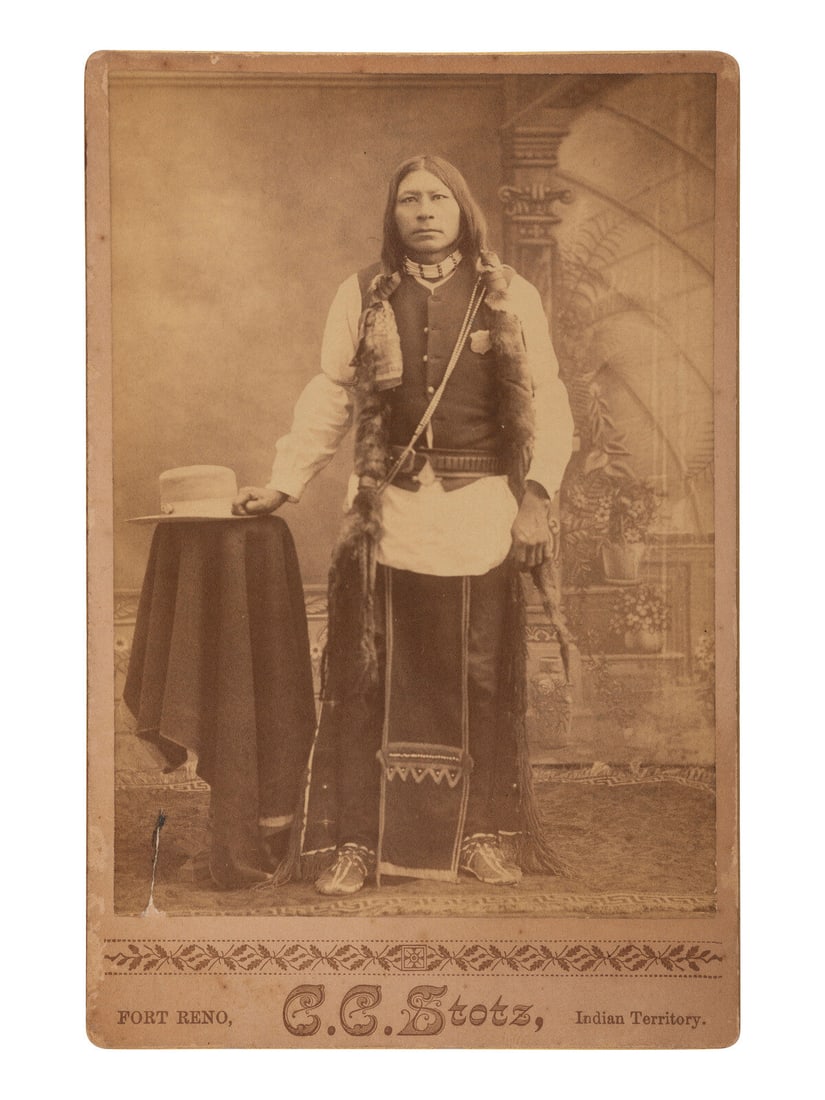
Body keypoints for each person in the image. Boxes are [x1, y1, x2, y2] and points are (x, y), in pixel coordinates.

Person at [233, 154, 574, 896]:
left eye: (437, 198)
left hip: (481, 509)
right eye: (408, 199)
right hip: (386, 511)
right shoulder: (360, 292)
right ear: (393, 214)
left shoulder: (506, 291)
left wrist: (536, 498)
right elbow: (331, 395)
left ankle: (480, 835)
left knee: (477, 679)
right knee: (369, 677)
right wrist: (284, 484)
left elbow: (547, 399)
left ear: (462, 208)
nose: (422, 210)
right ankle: (358, 841)